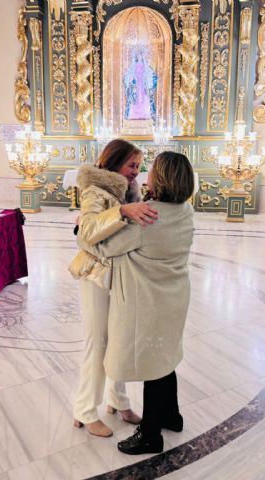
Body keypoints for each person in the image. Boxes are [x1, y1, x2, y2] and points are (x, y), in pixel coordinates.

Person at [78, 152, 195, 454]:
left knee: (152, 365)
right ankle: (171, 415)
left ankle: (150, 434)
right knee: (166, 356)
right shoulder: (184, 210)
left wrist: (83, 226)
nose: (145, 173)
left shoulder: (148, 217)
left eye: (152, 169)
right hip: (175, 297)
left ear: (163, 178)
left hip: (150, 303)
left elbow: (102, 245)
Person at [68, 139, 159, 437]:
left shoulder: (126, 190)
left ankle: (118, 400)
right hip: (97, 275)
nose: (137, 171)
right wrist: (122, 213)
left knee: (119, 338)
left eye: (138, 166)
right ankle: (84, 410)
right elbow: (88, 233)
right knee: (98, 343)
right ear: (114, 162)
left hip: (120, 274)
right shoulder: (96, 191)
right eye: (131, 165)